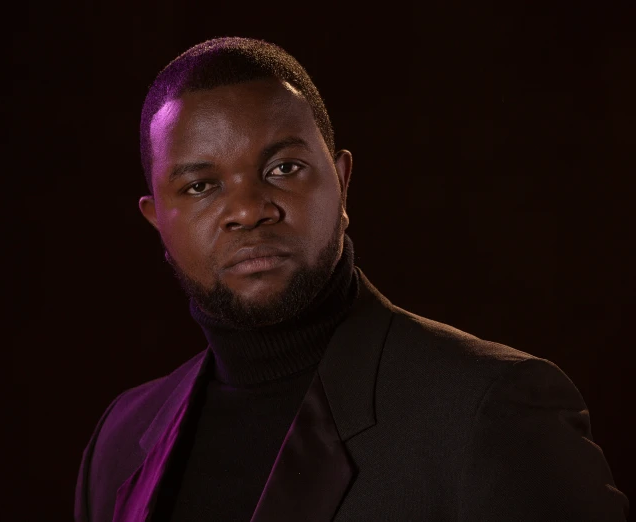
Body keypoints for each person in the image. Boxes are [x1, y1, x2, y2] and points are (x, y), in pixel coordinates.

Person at [74, 37, 628, 522]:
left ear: (341, 185)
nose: (247, 209)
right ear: (157, 220)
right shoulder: (122, 438)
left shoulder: (493, 411)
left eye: (283, 169)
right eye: (200, 187)